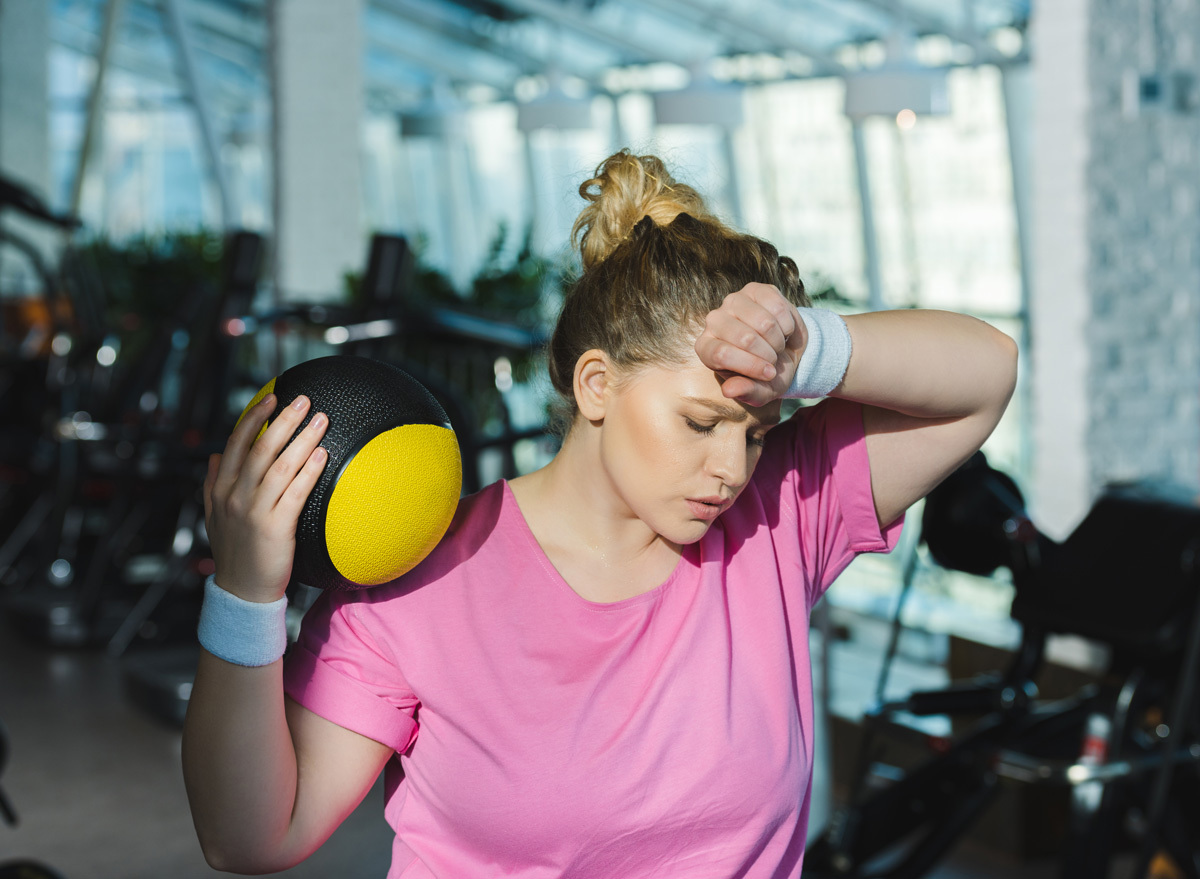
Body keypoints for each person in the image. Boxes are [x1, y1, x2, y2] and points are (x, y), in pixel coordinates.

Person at [182, 150, 1017, 877]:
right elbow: (251, 835)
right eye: (699, 422)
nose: (729, 469)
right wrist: (246, 597)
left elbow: (985, 377)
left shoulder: (778, 524)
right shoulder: (421, 581)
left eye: (756, 433)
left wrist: (809, 346)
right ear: (597, 385)